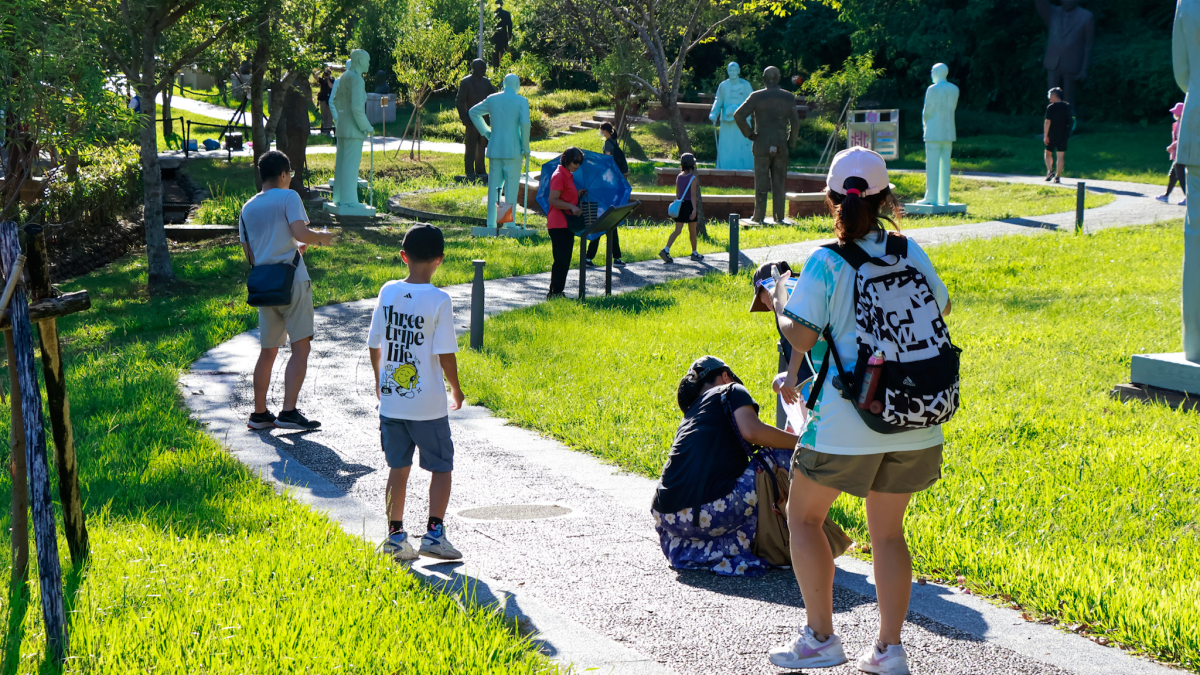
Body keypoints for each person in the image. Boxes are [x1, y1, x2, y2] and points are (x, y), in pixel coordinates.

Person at [767, 147, 951, 673]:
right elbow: (939, 308)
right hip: (917, 416)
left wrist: (782, 301)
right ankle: (889, 651)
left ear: (832, 200)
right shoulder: (909, 250)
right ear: (885, 198)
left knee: (802, 517)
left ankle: (822, 637)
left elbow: (801, 333)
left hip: (848, 423)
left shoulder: (827, 261)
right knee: (889, 534)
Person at [369, 224, 466, 562]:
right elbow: (445, 354)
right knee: (441, 466)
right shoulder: (440, 299)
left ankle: (395, 537)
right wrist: (455, 388)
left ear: (403, 256)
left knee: (398, 468)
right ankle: (434, 534)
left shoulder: (387, 292)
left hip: (392, 401)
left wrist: (380, 381)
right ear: (440, 259)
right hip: (428, 406)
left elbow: (374, 343)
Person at [651, 356, 798, 577]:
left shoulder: (693, 414)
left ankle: (711, 551)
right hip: (706, 514)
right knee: (778, 455)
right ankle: (807, 530)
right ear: (725, 376)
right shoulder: (731, 390)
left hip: (668, 517)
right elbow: (753, 432)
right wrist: (802, 441)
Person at [240, 150, 334, 432]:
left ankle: (259, 415)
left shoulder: (247, 207)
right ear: (283, 174)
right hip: (292, 282)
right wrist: (321, 239)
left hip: (265, 285)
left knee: (268, 352)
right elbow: (301, 233)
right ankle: (288, 412)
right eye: (289, 174)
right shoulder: (288, 197)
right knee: (300, 347)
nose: (290, 179)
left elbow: (251, 254)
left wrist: (292, 248)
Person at [585, 122, 627, 267]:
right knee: (608, 223)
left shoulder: (608, 144)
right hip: (613, 187)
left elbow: (607, 162)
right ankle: (613, 257)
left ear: (604, 130)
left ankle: (591, 257)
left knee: (606, 223)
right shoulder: (613, 142)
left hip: (607, 187)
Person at [547, 147, 583, 298]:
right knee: (561, 259)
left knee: (565, 259)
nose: (577, 165)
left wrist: (577, 195)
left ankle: (558, 291)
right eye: (575, 161)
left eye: (580, 162)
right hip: (558, 224)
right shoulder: (559, 175)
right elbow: (553, 200)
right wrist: (571, 206)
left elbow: (565, 196)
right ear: (567, 159)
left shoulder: (567, 175)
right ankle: (554, 292)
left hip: (566, 224)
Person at [659, 153, 701, 263]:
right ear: (692, 164)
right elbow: (693, 195)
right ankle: (694, 253)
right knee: (692, 231)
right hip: (688, 205)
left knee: (677, 230)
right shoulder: (693, 178)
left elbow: (677, 193)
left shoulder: (679, 176)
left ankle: (666, 249)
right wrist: (694, 209)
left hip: (680, 205)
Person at [1159, 102, 1187, 205]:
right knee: (1173, 176)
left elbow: (1182, 139)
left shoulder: (1183, 125)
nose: (1175, 115)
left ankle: (1188, 197)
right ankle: (1166, 196)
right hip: (1178, 155)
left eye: (1177, 113)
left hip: (1182, 155)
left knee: (1181, 177)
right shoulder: (1177, 124)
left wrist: (1171, 146)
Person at [1044, 87, 1072, 183]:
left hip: (1052, 134)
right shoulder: (1067, 106)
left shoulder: (1051, 107)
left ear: (1054, 96)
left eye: (1050, 95)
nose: (1049, 98)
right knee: (1060, 156)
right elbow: (1070, 120)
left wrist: (1045, 135)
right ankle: (1057, 176)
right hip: (1063, 133)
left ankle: (1050, 171)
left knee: (1048, 153)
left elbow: (1047, 122)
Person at [317, 68, 334, 135]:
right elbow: (315, 76)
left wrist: (328, 79)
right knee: (324, 116)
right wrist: (321, 70)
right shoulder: (322, 80)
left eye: (328, 73)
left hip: (330, 100)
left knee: (329, 116)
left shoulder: (332, 80)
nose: (326, 74)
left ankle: (328, 130)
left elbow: (331, 86)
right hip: (323, 99)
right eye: (325, 73)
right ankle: (323, 130)